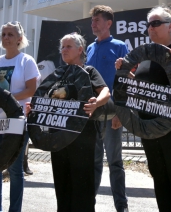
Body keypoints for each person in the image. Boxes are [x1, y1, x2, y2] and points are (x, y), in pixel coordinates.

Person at [117, 5, 171, 212]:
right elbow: (144, 89)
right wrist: (127, 75)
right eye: (148, 25)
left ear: (170, 25)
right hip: (149, 125)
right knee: (159, 174)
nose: (150, 28)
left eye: (155, 23)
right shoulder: (148, 55)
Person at [36, 33, 111, 212]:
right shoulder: (57, 75)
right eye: (62, 47)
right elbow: (43, 98)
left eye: (68, 46)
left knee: (82, 185)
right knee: (62, 185)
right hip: (58, 135)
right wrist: (34, 109)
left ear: (80, 50)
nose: (64, 50)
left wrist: (96, 103)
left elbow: (106, 91)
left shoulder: (89, 71)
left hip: (83, 135)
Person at [0, 22, 39, 212]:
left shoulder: (26, 61)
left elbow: (31, 89)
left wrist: (6, 99)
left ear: (19, 39)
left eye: (11, 34)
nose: (6, 37)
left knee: (15, 170)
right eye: (4, 34)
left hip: (16, 121)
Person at [86, 5, 130, 212]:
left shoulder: (120, 46)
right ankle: (89, 204)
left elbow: (126, 80)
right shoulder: (89, 48)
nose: (93, 23)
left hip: (113, 113)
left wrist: (120, 111)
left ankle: (121, 206)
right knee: (93, 163)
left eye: (97, 20)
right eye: (92, 20)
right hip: (92, 115)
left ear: (108, 23)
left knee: (115, 163)